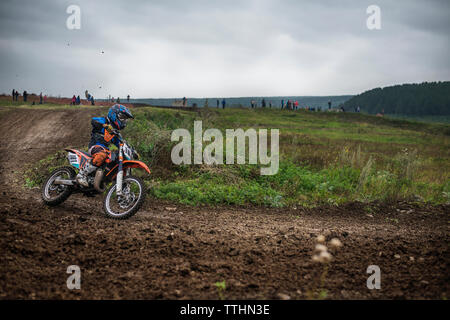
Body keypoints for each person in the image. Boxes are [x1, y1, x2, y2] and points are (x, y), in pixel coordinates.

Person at [76, 104, 134, 187]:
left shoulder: (115, 133)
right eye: (122, 117)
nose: (123, 121)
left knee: (114, 159)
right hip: (95, 146)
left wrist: (132, 151)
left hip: (105, 150)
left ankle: (103, 179)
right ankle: (81, 175)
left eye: (125, 119)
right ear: (114, 114)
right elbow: (94, 121)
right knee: (102, 155)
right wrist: (104, 125)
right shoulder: (104, 120)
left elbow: (121, 143)